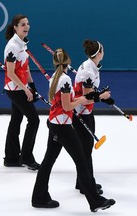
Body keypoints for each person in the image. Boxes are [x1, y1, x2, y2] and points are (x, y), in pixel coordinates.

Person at [31, 48, 115, 212]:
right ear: (68, 62)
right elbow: (68, 105)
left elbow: (65, 101)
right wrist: (82, 99)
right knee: (81, 161)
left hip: (54, 123)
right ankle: (95, 201)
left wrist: (83, 98)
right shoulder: (65, 79)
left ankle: (39, 196)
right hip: (62, 126)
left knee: (48, 161)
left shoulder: (55, 78)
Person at [73, 39, 114, 194]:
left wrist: (101, 96)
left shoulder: (92, 66)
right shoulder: (88, 71)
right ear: (99, 53)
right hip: (81, 113)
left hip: (86, 111)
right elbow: (86, 96)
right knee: (85, 150)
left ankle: (82, 181)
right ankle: (87, 184)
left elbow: (91, 93)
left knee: (85, 149)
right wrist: (101, 96)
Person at [3, 14, 40, 171]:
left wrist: (32, 85)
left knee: (16, 120)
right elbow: (11, 74)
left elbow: (25, 67)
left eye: (28, 23)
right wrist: (25, 89)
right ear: (15, 27)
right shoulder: (13, 46)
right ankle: (26, 157)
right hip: (15, 89)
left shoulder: (22, 44)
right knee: (34, 120)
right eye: (23, 24)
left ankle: (11, 157)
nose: (27, 26)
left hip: (21, 87)